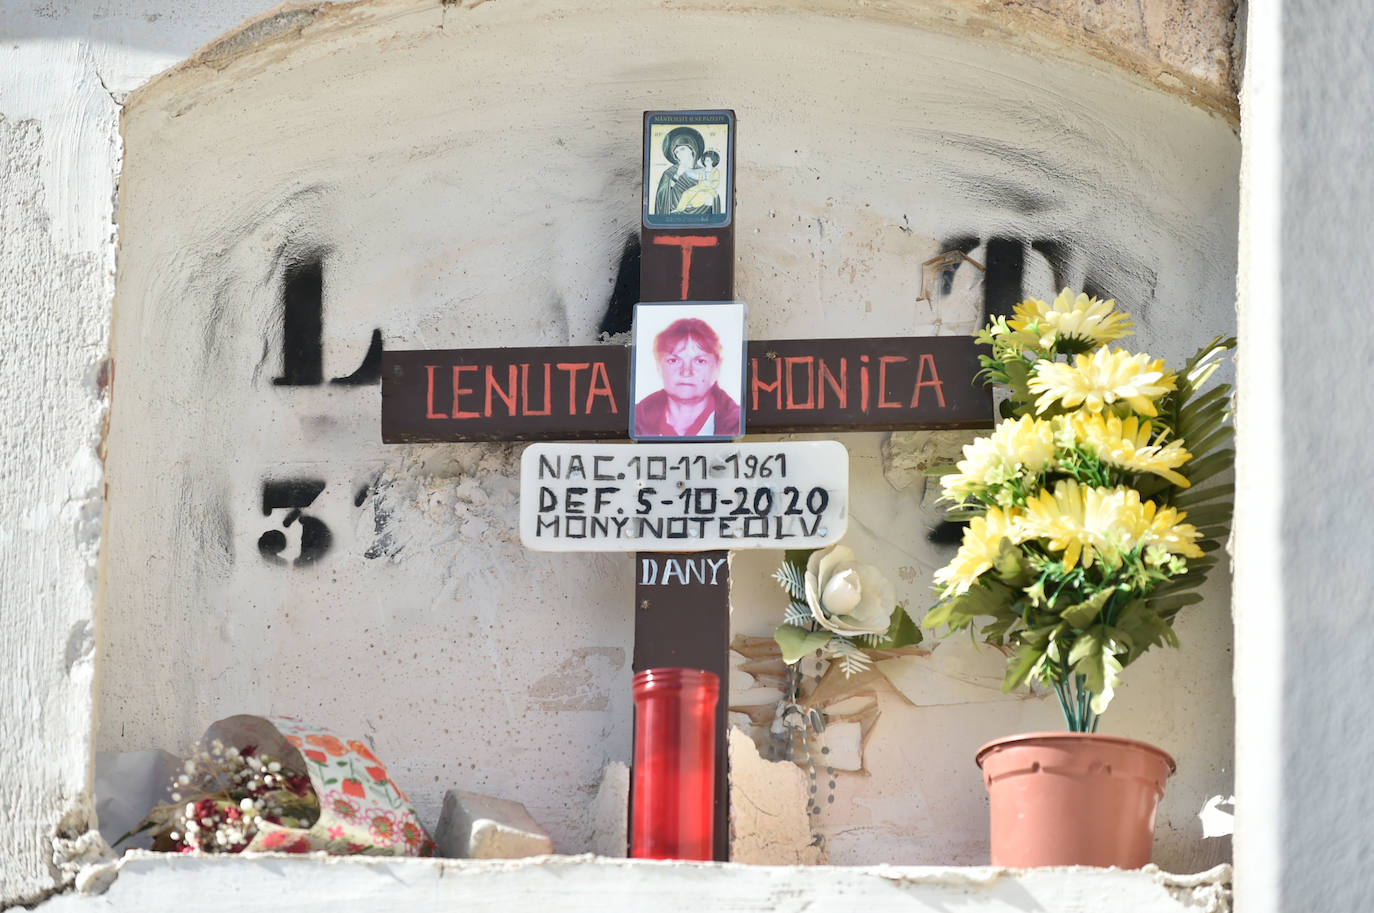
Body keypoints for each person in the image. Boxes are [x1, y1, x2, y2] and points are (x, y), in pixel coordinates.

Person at [634, 317, 740, 437]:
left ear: (717, 367)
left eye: (700, 361)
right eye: (674, 360)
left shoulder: (738, 424)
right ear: (658, 366)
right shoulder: (635, 421)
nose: (686, 372)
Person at [653, 127, 721, 217]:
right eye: (676, 152)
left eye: (682, 149)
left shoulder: (704, 170)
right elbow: (662, 197)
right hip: (675, 215)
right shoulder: (669, 173)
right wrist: (677, 175)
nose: (679, 154)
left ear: (692, 149)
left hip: (703, 212)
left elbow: (713, 191)